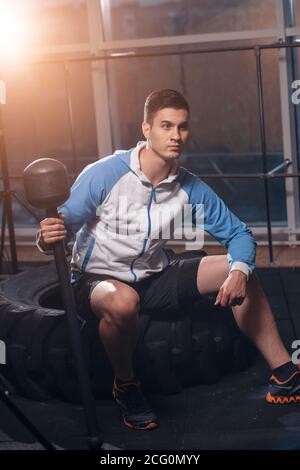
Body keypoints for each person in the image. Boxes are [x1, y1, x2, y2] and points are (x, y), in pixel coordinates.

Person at [37, 89, 300, 431]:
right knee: (122, 301)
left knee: (239, 268)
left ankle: (285, 374)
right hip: (95, 281)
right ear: (146, 129)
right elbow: (58, 229)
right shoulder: (104, 174)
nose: (176, 135)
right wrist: (46, 236)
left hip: (155, 275)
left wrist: (238, 271)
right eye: (165, 125)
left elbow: (239, 234)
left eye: (182, 126)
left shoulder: (189, 185)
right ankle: (126, 384)